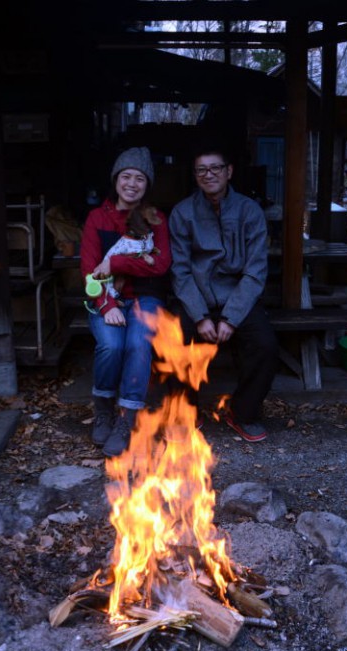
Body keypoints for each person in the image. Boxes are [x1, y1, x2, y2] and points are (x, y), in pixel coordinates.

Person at [168, 145, 279, 442]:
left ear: (229, 172)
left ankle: (242, 412)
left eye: (216, 168)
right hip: (198, 298)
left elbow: (256, 270)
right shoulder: (182, 213)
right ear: (195, 176)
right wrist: (200, 315)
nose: (209, 174)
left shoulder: (249, 211)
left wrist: (230, 318)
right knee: (174, 338)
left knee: (265, 344)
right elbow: (180, 270)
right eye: (202, 169)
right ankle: (185, 410)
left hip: (238, 298)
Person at [80, 146, 171, 457]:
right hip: (105, 296)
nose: (132, 184)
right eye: (126, 176)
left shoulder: (155, 218)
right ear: (116, 179)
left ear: (147, 185)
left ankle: (127, 418)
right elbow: (90, 269)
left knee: (138, 343)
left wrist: (117, 263)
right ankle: (103, 408)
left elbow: (160, 265)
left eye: (140, 179)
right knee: (111, 345)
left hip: (145, 296)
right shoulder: (97, 218)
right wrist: (106, 306)